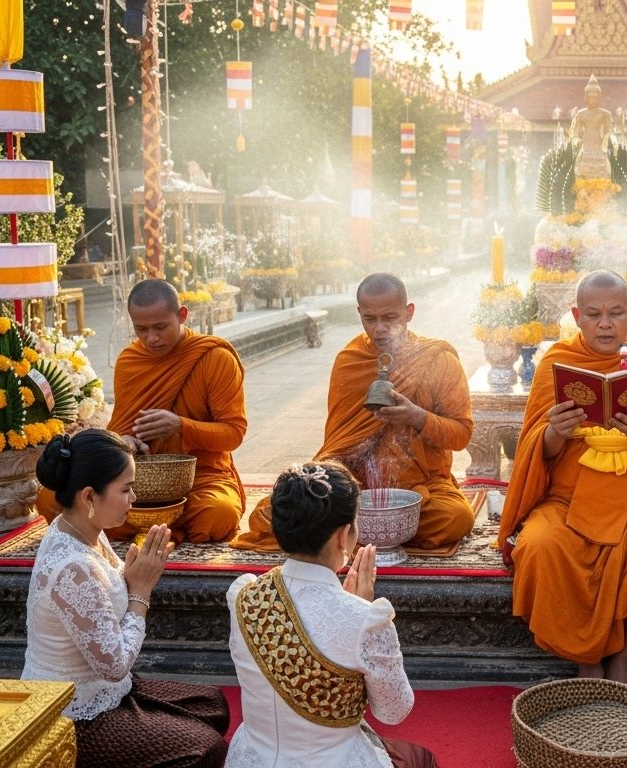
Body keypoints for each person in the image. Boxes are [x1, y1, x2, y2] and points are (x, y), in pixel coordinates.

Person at [497, 270, 627, 684]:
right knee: (538, 546)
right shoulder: (556, 363)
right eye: (593, 314)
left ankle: (623, 652)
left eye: (615, 313)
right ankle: (585, 658)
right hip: (569, 500)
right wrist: (555, 432)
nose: (604, 323)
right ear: (576, 315)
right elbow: (534, 448)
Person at [24, 430, 229, 766]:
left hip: (105, 692)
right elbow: (115, 666)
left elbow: (106, 598)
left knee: (213, 705)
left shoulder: (81, 528)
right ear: (89, 497)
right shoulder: (72, 567)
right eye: (126, 488)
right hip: (73, 718)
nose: (134, 497)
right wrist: (141, 592)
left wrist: (130, 576)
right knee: (205, 748)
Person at [233, 273, 474, 553]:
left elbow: (461, 435)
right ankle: (364, 526)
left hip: (420, 488)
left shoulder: (437, 360)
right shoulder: (349, 361)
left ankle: (343, 533)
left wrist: (417, 417)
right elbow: (338, 443)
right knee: (270, 513)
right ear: (359, 313)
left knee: (456, 517)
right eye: (370, 319)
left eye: (390, 317)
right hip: (355, 485)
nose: (380, 328)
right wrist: (332, 485)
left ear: (409, 313)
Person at [226, 462, 438, 768]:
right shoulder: (368, 622)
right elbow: (393, 711)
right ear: (343, 535)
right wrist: (359, 614)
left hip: (251, 759)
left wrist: (353, 613)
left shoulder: (243, 596)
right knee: (423, 760)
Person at [106, 278, 247, 543]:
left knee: (219, 514)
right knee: (63, 501)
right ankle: (164, 526)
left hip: (203, 478)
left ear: (182, 315)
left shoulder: (214, 358)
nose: (152, 338)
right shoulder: (129, 361)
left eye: (160, 327)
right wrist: (123, 442)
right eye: (141, 329)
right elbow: (118, 431)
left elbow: (234, 434)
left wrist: (181, 425)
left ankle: (154, 528)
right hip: (141, 481)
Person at [569, 75, 614, 180]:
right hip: (586, 145)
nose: (592, 99)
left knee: (602, 168)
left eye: (595, 97)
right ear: (586, 97)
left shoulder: (605, 114)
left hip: (599, 145)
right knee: (582, 168)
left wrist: (607, 141)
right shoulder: (581, 114)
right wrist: (575, 143)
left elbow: (609, 132)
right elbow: (576, 134)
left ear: (599, 97)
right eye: (590, 97)